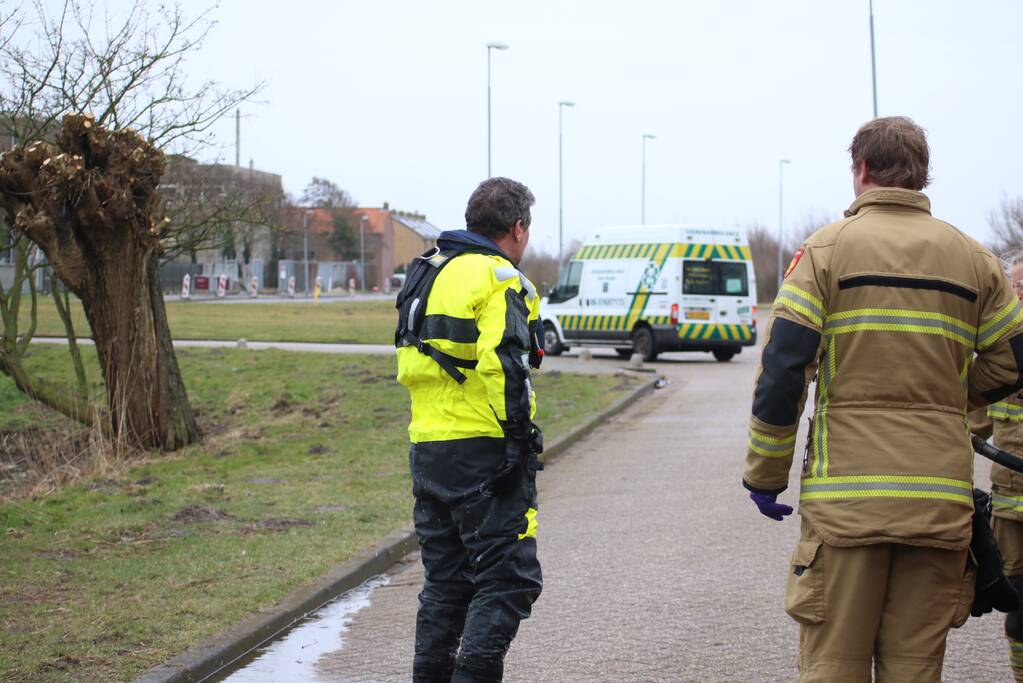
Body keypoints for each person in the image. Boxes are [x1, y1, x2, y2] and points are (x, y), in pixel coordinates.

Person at [742, 116, 1023, 682]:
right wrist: (950, 401)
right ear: (922, 175)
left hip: (847, 510)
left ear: (862, 170)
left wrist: (765, 473)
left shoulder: (824, 253)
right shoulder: (976, 260)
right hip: (939, 508)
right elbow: (1014, 358)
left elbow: (782, 371)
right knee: (916, 671)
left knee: (835, 668)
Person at [396, 177, 544, 683]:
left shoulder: (430, 272)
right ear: (518, 227)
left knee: (447, 583)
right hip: (484, 450)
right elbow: (506, 365)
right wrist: (519, 442)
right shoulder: (498, 277)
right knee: (506, 582)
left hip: (428, 448)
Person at [970, 251, 1023, 682]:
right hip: (1011, 512)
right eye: (1017, 287)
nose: (1020, 295)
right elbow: (969, 420)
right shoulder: (1004, 362)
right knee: (1019, 611)